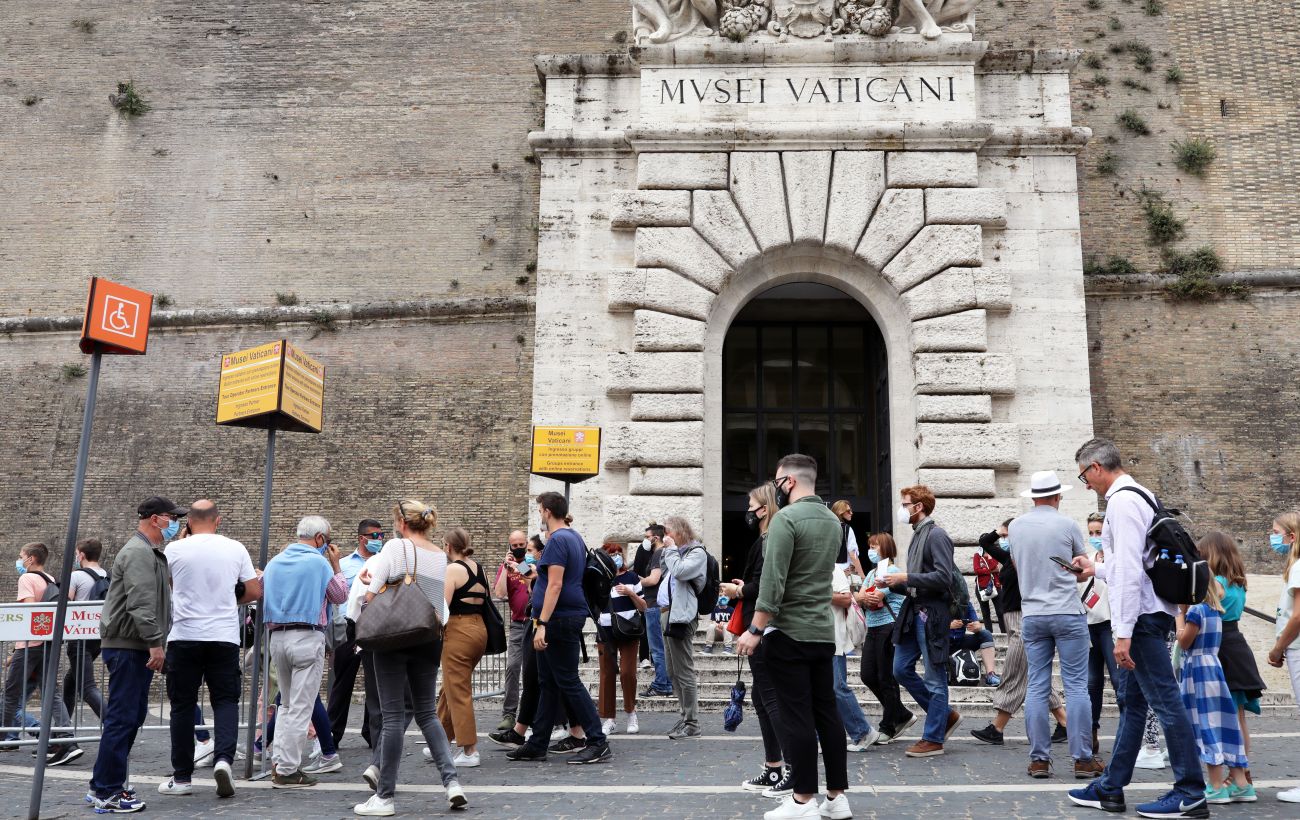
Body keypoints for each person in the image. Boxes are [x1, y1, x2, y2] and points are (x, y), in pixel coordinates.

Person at [1068, 438, 1208, 819]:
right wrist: (1095, 568)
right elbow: (1137, 563)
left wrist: (1123, 633)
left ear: (1096, 467)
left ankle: (1190, 791)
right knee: (1133, 703)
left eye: (1084, 476)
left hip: (1141, 620)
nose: (1086, 484)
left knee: (1166, 702)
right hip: (1147, 614)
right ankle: (1111, 788)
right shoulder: (1139, 495)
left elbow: (1131, 573)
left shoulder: (1122, 502)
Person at [737, 454, 850, 820]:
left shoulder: (785, 519)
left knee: (795, 716)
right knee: (827, 713)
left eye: (777, 481)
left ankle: (802, 800)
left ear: (789, 481)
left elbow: (773, 583)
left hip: (788, 632)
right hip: (822, 631)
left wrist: (754, 630)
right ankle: (836, 798)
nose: (776, 488)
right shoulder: (833, 522)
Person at [355, 500, 465, 816]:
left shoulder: (395, 547)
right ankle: (452, 783)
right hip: (427, 637)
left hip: (394, 637)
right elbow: (437, 603)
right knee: (427, 714)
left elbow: (372, 595)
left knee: (392, 717)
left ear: (402, 523)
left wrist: (369, 587)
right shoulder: (439, 555)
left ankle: (384, 797)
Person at [88, 496, 186, 814]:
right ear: (155, 519)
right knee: (123, 717)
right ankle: (108, 790)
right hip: (130, 646)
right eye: (172, 518)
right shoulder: (139, 553)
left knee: (130, 716)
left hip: (133, 645)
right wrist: (155, 644)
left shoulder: (148, 552)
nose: (176, 524)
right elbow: (141, 603)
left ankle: (103, 783)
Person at [157, 500, 260, 799]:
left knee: (182, 706)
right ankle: (224, 760)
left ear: (188, 521)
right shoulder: (235, 548)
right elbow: (254, 591)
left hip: (184, 636)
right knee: (226, 700)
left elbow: (168, 586)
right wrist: (227, 598)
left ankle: (182, 777)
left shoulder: (173, 550)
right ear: (218, 520)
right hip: (223, 636)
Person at [1008, 471, 1101, 780]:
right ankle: (1083, 759)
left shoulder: (1016, 527)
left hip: (1033, 614)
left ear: (1034, 497)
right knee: (1076, 686)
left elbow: (1017, 566)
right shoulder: (1067, 525)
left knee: (1037, 685)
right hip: (1067, 611)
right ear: (1058, 496)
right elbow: (1081, 570)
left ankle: (1039, 760)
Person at [505, 492, 610, 764]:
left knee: (568, 681)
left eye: (540, 510)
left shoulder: (557, 540)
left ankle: (597, 741)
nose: (539, 515)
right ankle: (538, 742)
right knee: (548, 683)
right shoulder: (573, 537)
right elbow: (547, 578)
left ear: (548, 512)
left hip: (559, 618)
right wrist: (525, 571)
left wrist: (542, 623)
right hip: (564, 615)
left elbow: (555, 584)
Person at [261, 515, 348, 789]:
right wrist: (336, 566)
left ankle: (279, 762)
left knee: (286, 705)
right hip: (307, 636)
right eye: (328, 540)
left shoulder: (275, 563)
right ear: (320, 538)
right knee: (301, 707)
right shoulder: (319, 563)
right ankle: (287, 770)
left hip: (277, 637)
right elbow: (339, 595)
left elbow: (261, 590)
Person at [970, 519, 1069, 747]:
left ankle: (997, 727)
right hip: (1012, 620)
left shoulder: (1033, 559)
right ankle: (1065, 723)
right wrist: (1000, 531)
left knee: (1014, 673)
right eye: (1006, 536)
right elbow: (985, 542)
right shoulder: (1009, 557)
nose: (1006, 540)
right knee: (1035, 675)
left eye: (1009, 535)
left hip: (1025, 621)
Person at [721, 483, 791, 797]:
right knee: (763, 698)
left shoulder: (771, 539)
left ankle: (790, 769)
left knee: (770, 697)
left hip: (763, 625)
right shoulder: (765, 539)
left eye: (751, 506)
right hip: (759, 622)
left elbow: (767, 585)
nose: (748, 512)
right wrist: (743, 587)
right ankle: (774, 766)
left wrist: (739, 590)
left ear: (764, 509)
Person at [489, 535, 588, 754]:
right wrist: (510, 567)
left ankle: (584, 733)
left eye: (528, 549)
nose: (524, 552)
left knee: (562, 681)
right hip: (533, 623)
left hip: (544, 624)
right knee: (537, 679)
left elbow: (537, 583)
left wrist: (541, 624)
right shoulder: (540, 568)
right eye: (518, 547)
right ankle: (527, 733)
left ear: (540, 552)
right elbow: (520, 587)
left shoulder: (545, 566)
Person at [883, 485, 962, 759]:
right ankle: (945, 715)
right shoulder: (918, 534)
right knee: (900, 669)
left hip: (932, 615)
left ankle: (934, 738)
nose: (901, 509)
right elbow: (917, 583)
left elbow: (943, 577)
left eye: (905, 504)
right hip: (915, 612)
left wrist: (905, 577)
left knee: (934, 677)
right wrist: (892, 584)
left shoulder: (936, 535)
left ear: (919, 507)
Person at [1, 542, 81, 766]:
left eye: (21, 556)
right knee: (51, 693)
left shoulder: (27, 578)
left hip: (30, 644)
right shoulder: (50, 579)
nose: (19, 560)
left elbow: (30, 610)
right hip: (47, 643)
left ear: (31, 559)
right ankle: (67, 740)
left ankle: (4, 735)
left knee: (10, 693)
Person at [1194, 531, 1262, 787]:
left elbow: (1202, 610)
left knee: (1227, 719)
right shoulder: (1238, 583)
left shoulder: (1218, 584)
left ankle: (1237, 774)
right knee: (1239, 716)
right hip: (1237, 647)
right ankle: (1242, 771)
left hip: (1221, 648)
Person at [1177, 579, 1251, 804]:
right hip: (1214, 667)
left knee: (1205, 724)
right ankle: (1242, 784)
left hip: (1198, 671)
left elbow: (1185, 642)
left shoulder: (1196, 611)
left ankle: (1216, 785)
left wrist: (1179, 615)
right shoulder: (1216, 610)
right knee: (1223, 723)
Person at [327, 519, 384, 748]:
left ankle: (372, 733)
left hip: (376, 627)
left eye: (381, 535)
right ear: (362, 538)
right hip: (348, 627)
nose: (380, 540)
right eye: (375, 536)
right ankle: (332, 733)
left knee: (376, 683)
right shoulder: (342, 564)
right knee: (342, 681)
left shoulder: (385, 563)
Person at [855, 533, 915, 745]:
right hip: (872, 627)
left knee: (885, 677)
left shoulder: (892, 572)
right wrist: (863, 596)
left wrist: (864, 596)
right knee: (867, 674)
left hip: (889, 626)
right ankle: (902, 713)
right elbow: (860, 597)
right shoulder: (872, 573)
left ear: (886, 548)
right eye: (870, 546)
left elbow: (875, 596)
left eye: (875, 546)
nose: (871, 550)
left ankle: (888, 726)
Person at [439, 527, 489, 767]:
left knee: (458, 690)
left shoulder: (452, 569)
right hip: (479, 630)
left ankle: (470, 750)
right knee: (450, 686)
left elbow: (443, 606)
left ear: (448, 546)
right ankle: (440, 740)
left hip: (459, 630)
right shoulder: (479, 568)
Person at [659, 516, 708, 740]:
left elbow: (680, 572)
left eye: (668, 532)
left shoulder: (696, 553)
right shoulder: (676, 553)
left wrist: (670, 550)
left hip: (680, 616)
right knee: (672, 671)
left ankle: (692, 722)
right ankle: (685, 716)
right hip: (667, 614)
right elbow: (666, 572)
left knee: (684, 670)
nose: (665, 536)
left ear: (679, 532)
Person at [1266, 511, 1300, 804]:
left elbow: (1298, 616)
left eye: (1276, 532)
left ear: (1292, 537)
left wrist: (1278, 647)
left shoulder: (1298, 567)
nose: (1272, 538)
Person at [596, 542, 645, 736]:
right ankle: (609, 718)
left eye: (618, 553)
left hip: (628, 630)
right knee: (607, 674)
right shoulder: (599, 578)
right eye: (611, 554)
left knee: (627, 672)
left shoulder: (631, 577)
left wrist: (630, 593)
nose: (616, 556)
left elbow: (643, 606)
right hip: (605, 630)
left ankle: (631, 712)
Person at [1082, 512, 1119, 760]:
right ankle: (1092, 731)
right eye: (1091, 533)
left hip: (1111, 624)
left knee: (1118, 680)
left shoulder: (1117, 557)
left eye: (1099, 532)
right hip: (1090, 623)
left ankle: (1128, 733)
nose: (1095, 537)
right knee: (1092, 682)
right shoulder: (1088, 558)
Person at [831, 563, 878, 751]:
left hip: (833, 639)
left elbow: (846, 599)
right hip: (815, 639)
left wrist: (815, 594)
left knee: (837, 687)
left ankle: (863, 732)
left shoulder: (833, 569)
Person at [62, 538, 108, 722]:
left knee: (87, 688)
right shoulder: (106, 575)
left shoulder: (76, 576)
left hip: (79, 636)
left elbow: (65, 603)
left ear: (81, 555)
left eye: (76, 554)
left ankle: (115, 725)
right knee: (70, 684)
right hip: (98, 637)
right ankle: (61, 731)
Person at [493, 530, 531, 732]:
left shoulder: (530, 563)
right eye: (514, 546)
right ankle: (509, 714)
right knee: (513, 667)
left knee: (533, 670)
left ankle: (533, 715)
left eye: (521, 545)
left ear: (526, 544)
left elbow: (531, 579)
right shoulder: (507, 567)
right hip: (517, 624)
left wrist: (519, 565)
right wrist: (506, 567)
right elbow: (500, 593)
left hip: (534, 623)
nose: (518, 548)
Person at [637, 523, 674, 698]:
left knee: (657, 648)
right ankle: (666, 683)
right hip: (659, 605)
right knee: (662, 647)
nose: (645, 540)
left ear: (656, 538)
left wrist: (636, 580)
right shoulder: (662, 553)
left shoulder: (659, 553)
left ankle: (661, 684)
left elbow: (653, 580)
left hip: (654, 605)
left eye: (647, 537)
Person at [948, 600, 999, 686]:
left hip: (960, 641)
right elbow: (930, 626)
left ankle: (991, 675)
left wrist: (976, 627)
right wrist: (948, 625)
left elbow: (978, 625)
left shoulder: (966, 603)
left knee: (986, 634)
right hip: (943, 643)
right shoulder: (940, 602)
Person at [973, 538, 1003, 633]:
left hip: (996, 585)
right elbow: (977, 570)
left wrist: (989, 557)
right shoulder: (977, 555)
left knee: (1000, 611)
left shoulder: (994, 554)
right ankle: (989, 634)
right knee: (986, 613)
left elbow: (996, 567)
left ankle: (1004, 633)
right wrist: (991, 571)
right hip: (982, 587)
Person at [829, 501, 865, 578]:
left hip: (827, 572)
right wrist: (862, 576)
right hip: (843, 572)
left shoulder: (825, 528)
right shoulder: (846, 529)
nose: (851, 513)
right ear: (840, 512)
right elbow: (853, 555)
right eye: (848, 511)